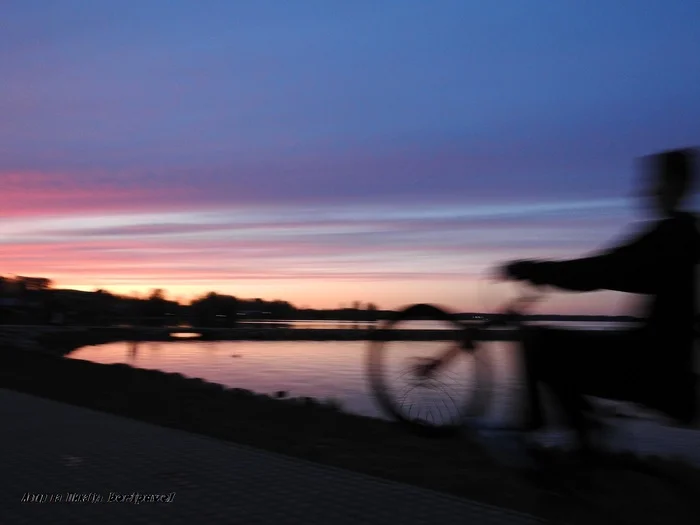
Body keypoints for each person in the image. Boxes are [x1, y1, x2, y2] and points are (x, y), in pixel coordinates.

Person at [499, 148, 699, 453]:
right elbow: (620, 272)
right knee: (561, 355)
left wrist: (531, 270)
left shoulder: (674, 235)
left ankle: (535, 439)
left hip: (653, 368)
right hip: (676, 366)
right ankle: (584, 440)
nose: (649, 191)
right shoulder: (689, 235)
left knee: (536, 341)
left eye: (657, 181)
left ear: (678, 184)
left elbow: (603, 270)